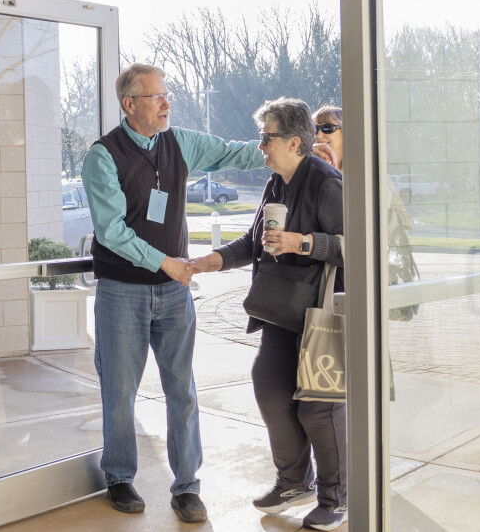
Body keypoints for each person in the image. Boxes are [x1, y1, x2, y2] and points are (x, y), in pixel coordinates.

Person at [82, 63, 263, 523]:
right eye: (156, 97)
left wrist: (282, 148)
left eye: (167, 96)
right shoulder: (103, 156)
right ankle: (120, 477)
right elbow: (112, 231)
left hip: (174, 294)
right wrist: (167, 263)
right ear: (130, 105)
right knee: (119, 390)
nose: (166, 104)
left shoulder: (179, 142)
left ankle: (186, 487)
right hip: (123, 292)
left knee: (181, 389)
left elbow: (232, 154)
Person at [192, 97, 347, 532]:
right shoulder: (277, 183)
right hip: (282, 309)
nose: (260, 147)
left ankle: (337, 498)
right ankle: (295, 481)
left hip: (321, 313)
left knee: (318, 406)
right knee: (270, 387)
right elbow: (253, 239)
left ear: (295, 142)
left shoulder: (325, 183)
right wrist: (213, 260)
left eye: (267, 138)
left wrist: (303, 243)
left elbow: (357, 244)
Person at [311, 105, 418, 320]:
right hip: (324, 271)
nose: (320, 134)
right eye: (315, 128)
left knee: (366, 339)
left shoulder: (367, 169)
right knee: (328, 338)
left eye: (328, 128)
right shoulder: (312, 168)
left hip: (362, 267)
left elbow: (402, 218)